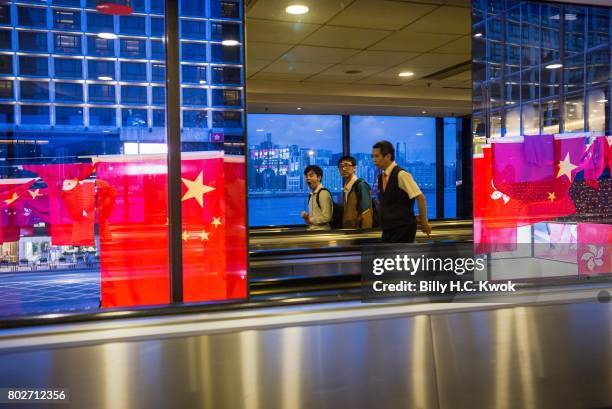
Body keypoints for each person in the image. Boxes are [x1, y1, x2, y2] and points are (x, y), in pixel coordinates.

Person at [372, 140, 432, 243]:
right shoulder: (381, 177)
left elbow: (420, 198)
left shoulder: (401, 174)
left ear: (388, 156)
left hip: (403, 229)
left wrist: (424, 222)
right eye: (373, 156)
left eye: (377, 156)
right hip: (389, 229)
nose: (374, 159)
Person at [338, 156, 373, 229]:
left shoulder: (360, 185)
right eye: (341, 166)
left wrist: (366, 235)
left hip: (358, 232)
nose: (344, 168)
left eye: (347, 165)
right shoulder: (347, 187)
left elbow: (366, 213)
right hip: (349, 230)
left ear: (354, 168)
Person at [300, 165, 333, 230]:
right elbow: (316, 215)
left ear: (319, 177)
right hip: (313, 231)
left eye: (311, 176)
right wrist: (307, 217)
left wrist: (310, 219)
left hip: (322, 233)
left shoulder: (323, 193)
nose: (308, 178)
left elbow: (327, 217)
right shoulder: (311, 194)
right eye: (306, 176)